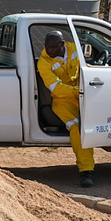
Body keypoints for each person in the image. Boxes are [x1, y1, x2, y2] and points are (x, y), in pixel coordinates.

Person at [38, 30, 96, 187]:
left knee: (93, 124)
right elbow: (56, 89)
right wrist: (78, 91)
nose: (49, 50)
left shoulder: (74, 48)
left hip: (82, 95)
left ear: (62, 45)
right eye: (47, 47)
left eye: (53, 47)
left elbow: (86, 65)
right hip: (62, 101)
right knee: (78, 127)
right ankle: (86, 171)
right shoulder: (44, 62)